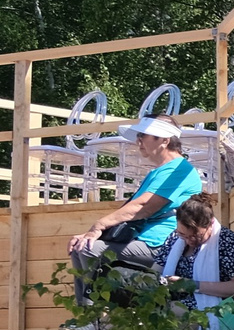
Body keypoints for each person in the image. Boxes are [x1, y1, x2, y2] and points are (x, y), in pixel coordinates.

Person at [70, 116, 205, 306]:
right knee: (81, 246)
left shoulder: (179, 170)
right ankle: (86, 315)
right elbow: (131, 211)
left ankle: (95, 318)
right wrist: (89, 234)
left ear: (165, 140)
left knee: (90, 249)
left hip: (162, 245)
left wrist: (98, 226)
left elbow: (143, 207)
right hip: (142, 240)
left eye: (143, 135)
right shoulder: (158, 172)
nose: (138, 141)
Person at [158, 197, 234, 330]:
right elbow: (155, 271)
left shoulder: (226, 242)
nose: (189, 241)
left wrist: (192, 285)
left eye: (195, 236)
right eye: (184, 235)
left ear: (209, 224)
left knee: (166, 319)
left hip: (209, 310)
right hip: (171, 303)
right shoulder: (175, 239)